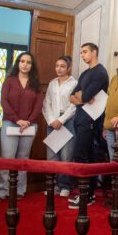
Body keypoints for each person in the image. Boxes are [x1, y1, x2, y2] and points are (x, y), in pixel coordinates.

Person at [0, 52, 43, 202]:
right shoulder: (9, 80)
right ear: (18, 63)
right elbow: (4, 102)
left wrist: (28, 121)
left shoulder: (36, 84)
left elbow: (38, 106)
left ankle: (19, 191)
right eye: (22, 61)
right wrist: (17, 120)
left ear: (32, 66)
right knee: (7, 158)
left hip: (30, 125)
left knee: (22, 159)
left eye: (28, 62)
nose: (25, 64)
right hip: (10, 123)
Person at [68, 43, 109, 209]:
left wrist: (82, 97)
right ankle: (89, 194)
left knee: (82, 156)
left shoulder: (100, 72)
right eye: (81, 52)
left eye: (85, 52)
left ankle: (85, 194)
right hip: (80, 118)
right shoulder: (85, 73)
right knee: (86, 157)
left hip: (91, 120)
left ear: (94, 52)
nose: (82, 55)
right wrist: (81, 97)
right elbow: (71, 96)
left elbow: (84, 95)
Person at [42, 55, 77, 198]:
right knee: (52, 157)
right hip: (52, 122)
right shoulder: (52, 83)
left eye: (62, 66)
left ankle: (65, 186)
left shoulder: (75, 83)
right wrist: (51, 120)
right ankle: (53, 185)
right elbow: (46, 103)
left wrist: (61, 120)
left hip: (67, 122)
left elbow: (75, 105)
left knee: (66, 157)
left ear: (68, 68)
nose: (59, 69)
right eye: (57, 66)